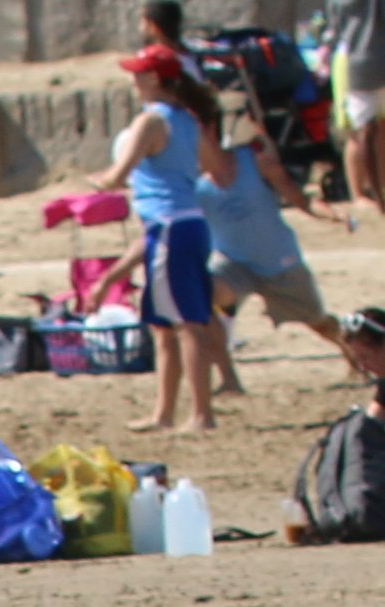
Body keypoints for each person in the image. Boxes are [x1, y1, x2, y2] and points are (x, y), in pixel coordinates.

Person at [90, 46, 223, 432]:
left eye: (138, 74)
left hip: (169, 224)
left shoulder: (151, 121)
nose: (133, 81)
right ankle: (164, 413)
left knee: (185, 324)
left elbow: (117, 176)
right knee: (164, 326)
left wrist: (92, 183)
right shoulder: (187, 120)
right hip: (187, 222)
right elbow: (213, 167)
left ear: (154, 78)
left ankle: (201, 414)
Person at [197, 106, 341, 382]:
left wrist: (332, 215)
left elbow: (301, 199)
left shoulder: (255, 162)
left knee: (320, 323)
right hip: (233, 264)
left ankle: (354, 353)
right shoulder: (192, 185)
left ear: (211, 131)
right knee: (201, 297)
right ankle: (229, 379)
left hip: (279, 262)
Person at [330, 0, 385, 215]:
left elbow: (333, 24)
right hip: (364, 59)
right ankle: (363, 193)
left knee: (369, 131)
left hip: (351, 57)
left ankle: (371, 191)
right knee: (362, 133)